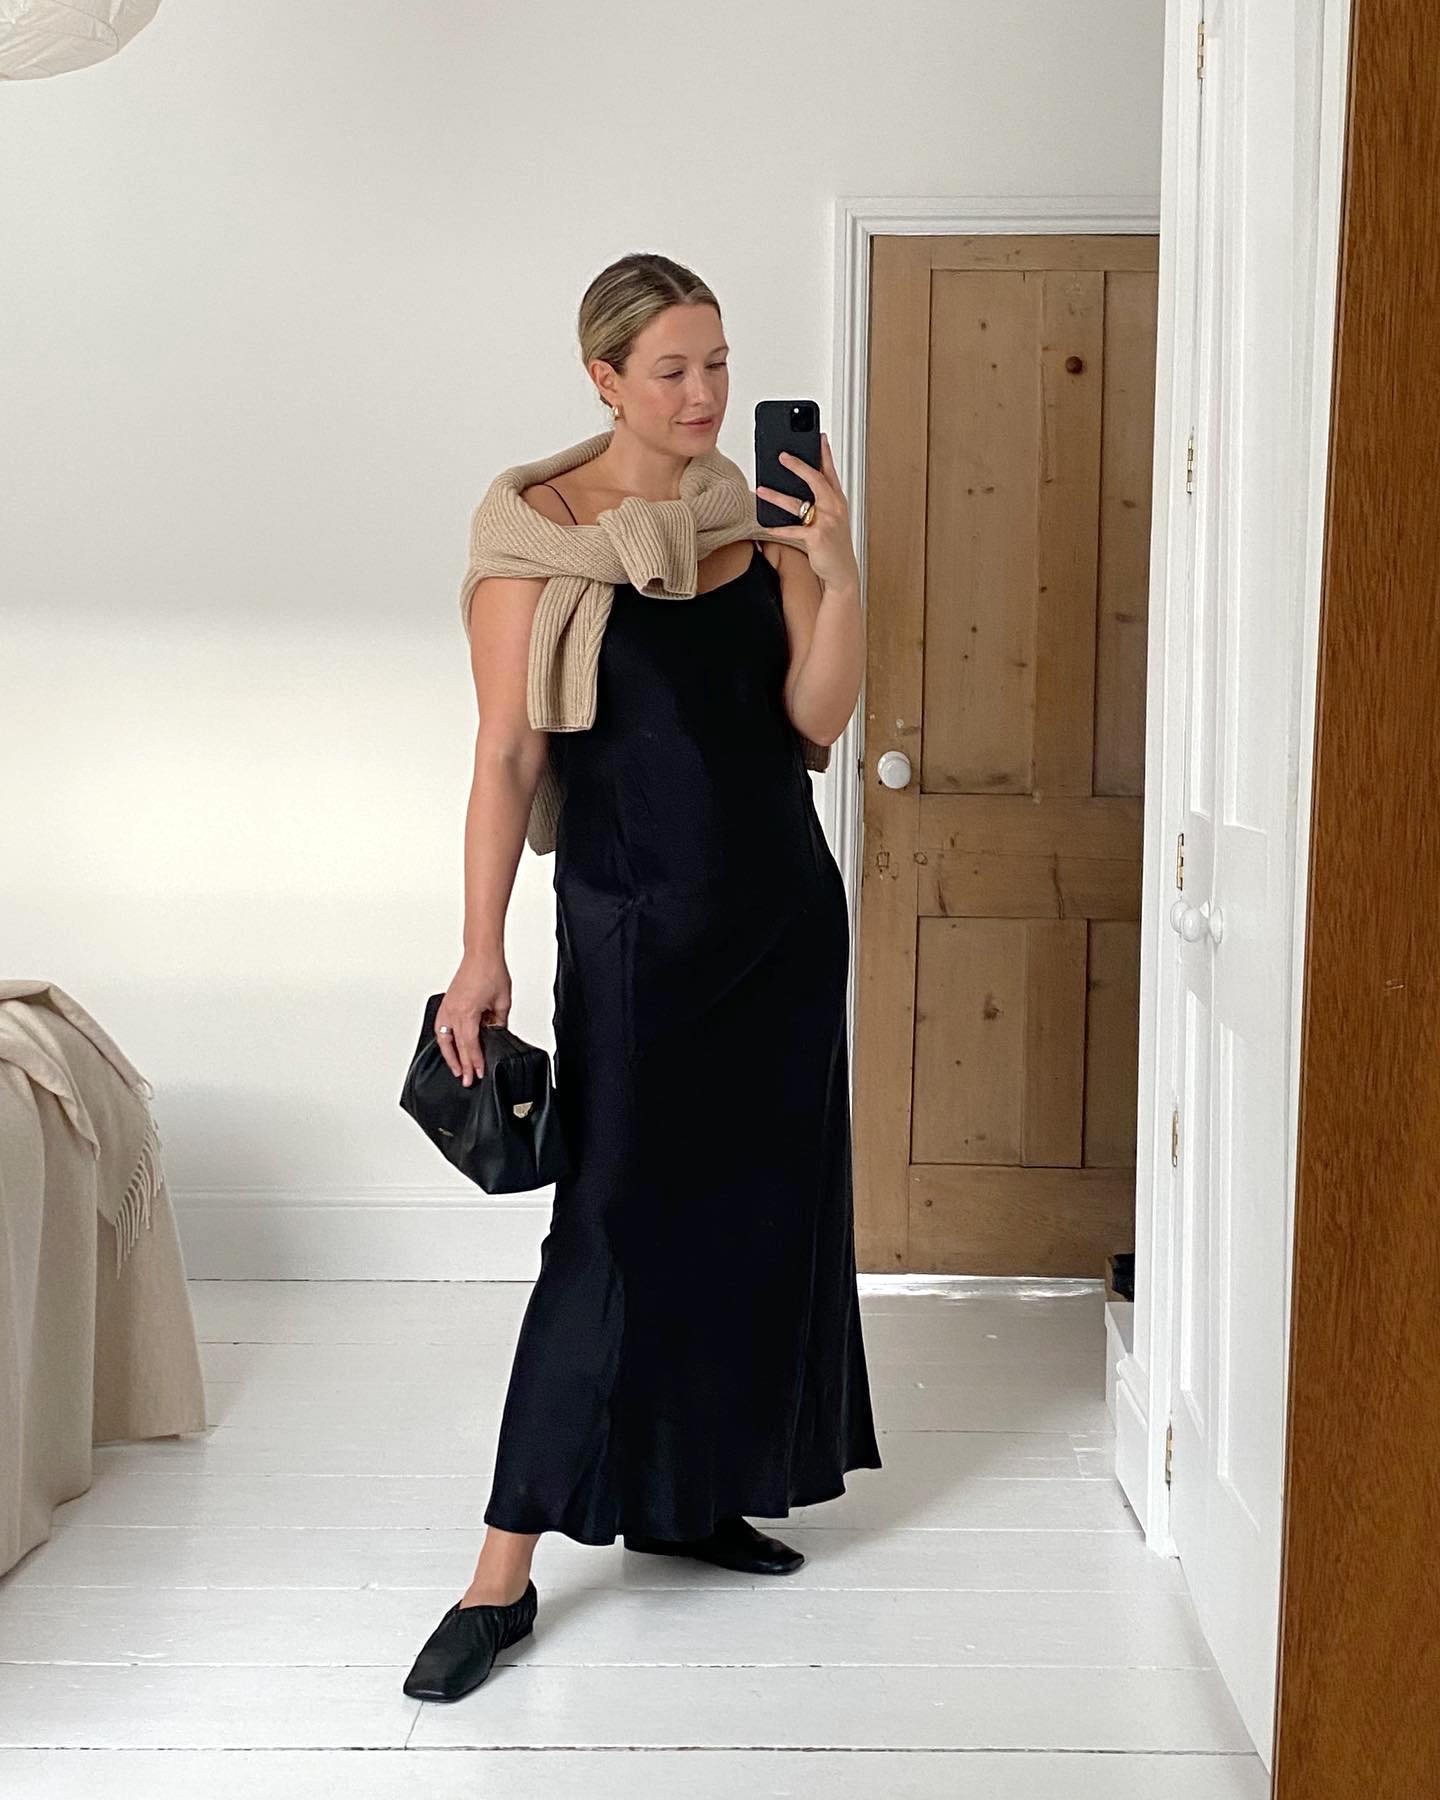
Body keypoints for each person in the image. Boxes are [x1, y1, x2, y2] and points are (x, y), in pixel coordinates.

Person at [403, 252, 882, 1704]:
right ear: (602, 378)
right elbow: (505, 758)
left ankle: (688, 1499)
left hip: (782, 927)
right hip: (631, 934)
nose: (704, 396)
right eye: (671, 369)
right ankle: (501, 1578)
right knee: (604, 1239)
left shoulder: (759, 523)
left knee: (755, 1217)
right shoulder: (534, 546)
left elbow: (814, 719)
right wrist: (478, 951)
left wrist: (840, 569)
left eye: (720, 364)